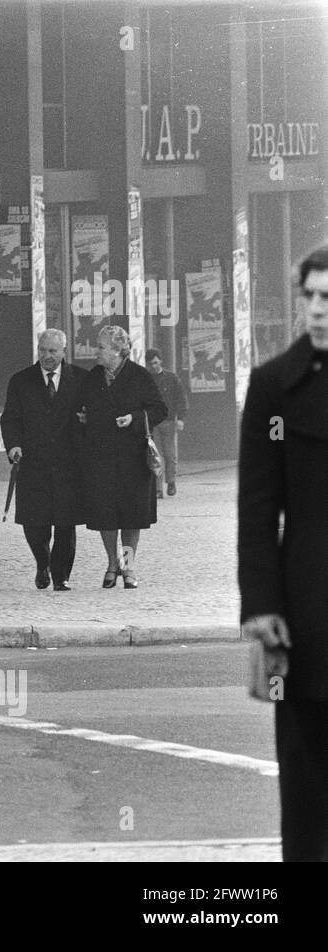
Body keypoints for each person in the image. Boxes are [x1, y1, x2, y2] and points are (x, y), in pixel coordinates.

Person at [238, 244, 328, 861]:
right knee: (305, 783)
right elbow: (256, 506)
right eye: (311, 297)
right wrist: (262, 604)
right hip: (306, 609)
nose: (319, 311)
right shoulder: (274, 387)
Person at [75, 324, 167, 589]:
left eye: (101, 347)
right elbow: (81, 407)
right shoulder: (93, 377)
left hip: (132, 459)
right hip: (100, 458)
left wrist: (135, 418)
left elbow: (160, 409)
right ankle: (111, 564)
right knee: (105, 514)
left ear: (117, 350)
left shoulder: (139, 376)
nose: (96, 351)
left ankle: (128, 567)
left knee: (131, 514)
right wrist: (84, 417)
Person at [0, 329, 86, 591]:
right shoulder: (21, 381)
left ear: (63, 352)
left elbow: (92, 415)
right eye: (42, 350)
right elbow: (10, 418)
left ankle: (61, 577)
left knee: (65, 523)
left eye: (52, 351)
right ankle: (42, 562)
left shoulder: (81, 380)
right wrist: (14, 446)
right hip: (32, 462)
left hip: (68, 464)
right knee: (34, 522)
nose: (47, 356)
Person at [145, 348, 188, 497]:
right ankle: (157, 489)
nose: (154, 366)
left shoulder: (172, 378)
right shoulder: (146, 380)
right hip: (153, 422)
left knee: (170, 454)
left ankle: (171, 482)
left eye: (156, 363)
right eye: (151, 364)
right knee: (156, 456)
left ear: (161, 361)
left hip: (169, 421)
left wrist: (181, 418)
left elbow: (181, 398)